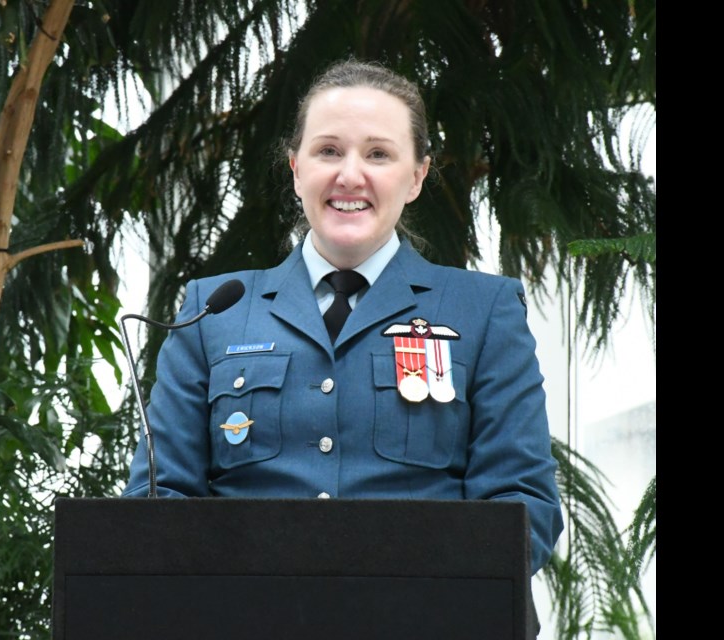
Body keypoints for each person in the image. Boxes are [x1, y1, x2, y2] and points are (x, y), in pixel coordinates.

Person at [123, 59, 564, 576]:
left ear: (417, 176)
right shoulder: (214, 311)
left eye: (378, 154)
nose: (349, 175)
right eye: (328, 151)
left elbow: (522, 507)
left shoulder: (483, 311)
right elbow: (157, 500)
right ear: (296, 169)